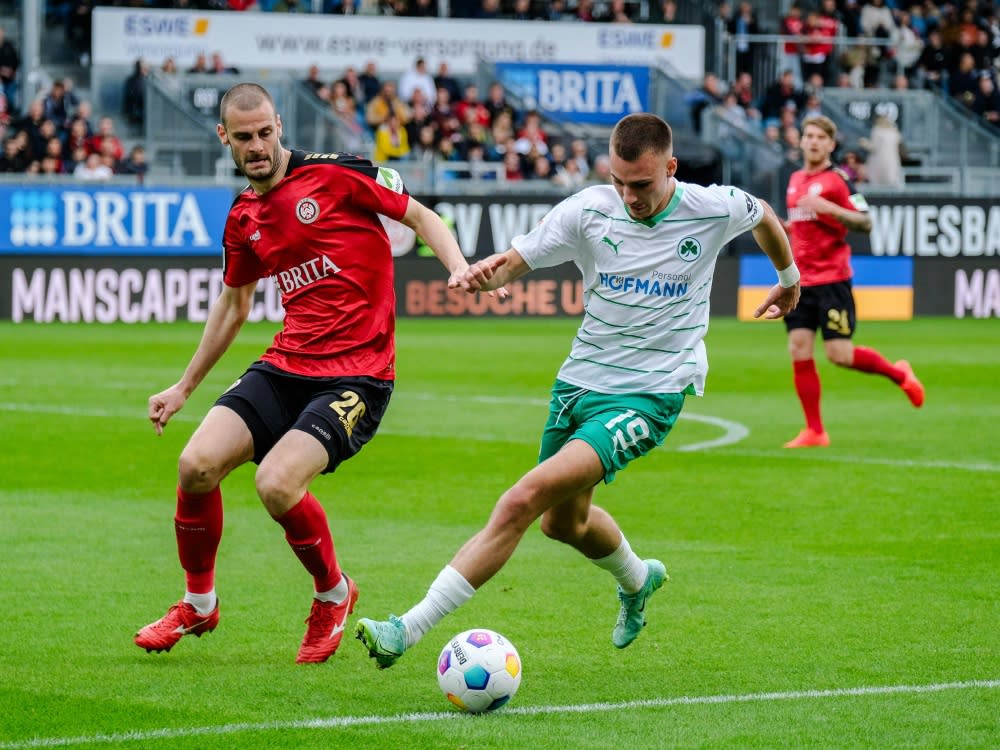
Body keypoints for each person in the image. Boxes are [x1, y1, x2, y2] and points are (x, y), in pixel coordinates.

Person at [354, 112, 801, 668]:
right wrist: (479, 274)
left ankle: (407, 628)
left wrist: (789, 281)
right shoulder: (589, 210)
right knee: (560, 523)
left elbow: (765, 216)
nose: (629, 195)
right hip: (580, 382)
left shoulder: (711, 207)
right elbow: (515, 263)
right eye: (619, 181)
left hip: (651, 392)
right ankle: (638, 580)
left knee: (520, 500)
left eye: (641, 184)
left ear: (671, 168)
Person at [133, 83, 474, 664]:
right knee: (195, 466)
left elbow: (421, 217)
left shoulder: (340, 175)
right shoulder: (243, 216)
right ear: (225, 138)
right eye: (244, 137)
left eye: (265, 133)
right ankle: (199, 603)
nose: (257, 146)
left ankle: (333, 595)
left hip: (359, 375)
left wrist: (459, 267)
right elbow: (234, 306)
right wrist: (184, 386)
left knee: (276, 483)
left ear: (279, 125)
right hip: (287, 363)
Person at [781, 115, 924, 449]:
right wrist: (792, 229)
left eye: (820, 137)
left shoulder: (839, 180)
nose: (813, 141)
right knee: (798, 349)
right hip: (800, 282)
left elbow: (865, 222)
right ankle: (815, 431)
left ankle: (900, 373)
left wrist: (828, 207)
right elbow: (807, 224)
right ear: (801, 141)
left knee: (839, 354)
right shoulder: (795, 179)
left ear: (831, 144)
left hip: (832, 280)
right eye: (808, 135)